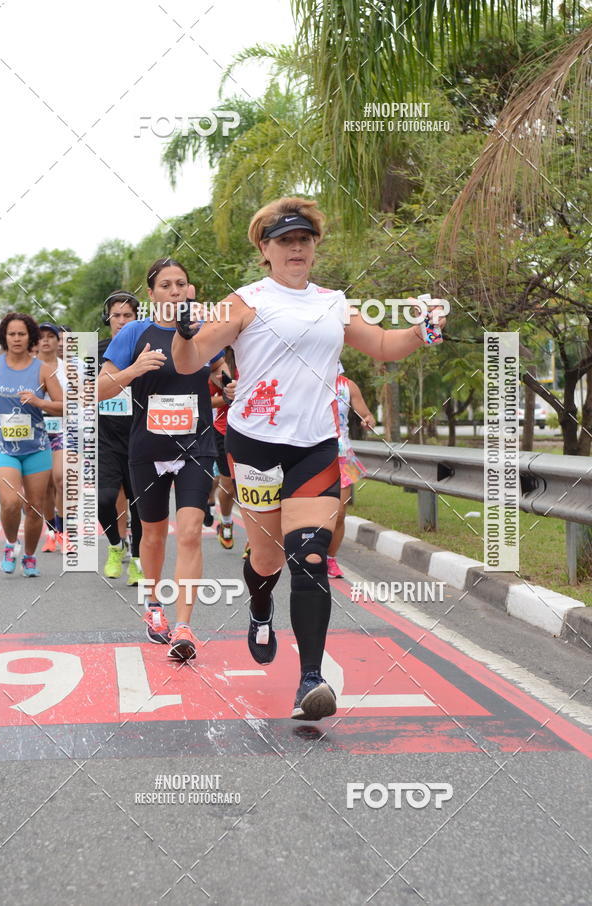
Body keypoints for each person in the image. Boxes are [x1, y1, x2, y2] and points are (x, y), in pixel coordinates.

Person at [172, 196, 448, 720]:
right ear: (266, 250)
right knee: (267, 559)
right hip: (255, 446)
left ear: (315, 247)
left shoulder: (333, 302)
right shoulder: (245, 301)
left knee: (311, 555)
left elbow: (382, 344)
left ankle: (311, 681)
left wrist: (421, 332)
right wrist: (184, 335)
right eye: (285, 240)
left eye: (304, 239)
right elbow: (190, 361)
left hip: (316, 446)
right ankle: (259, 605)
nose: (296, 248)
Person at [98, 259, 234, 660]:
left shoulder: (205, 328)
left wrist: (228, 387)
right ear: (152, 293)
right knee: (153, 535)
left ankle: (185, 626)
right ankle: (154, 605)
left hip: (196, 446)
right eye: (166, 285)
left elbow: (221, 373)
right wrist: (134, 369)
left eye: (181, 284)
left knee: (190, 532)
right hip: (148, 449)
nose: (175, 291)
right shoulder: (134, 333)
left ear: (190, 290)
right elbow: (100, 389)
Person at [0, 313, 63, 577]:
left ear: (29, 336)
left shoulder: (42, 369)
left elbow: (64, 406)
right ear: (4, 337)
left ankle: (30, 556)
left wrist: (39, 402)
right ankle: (11, 545)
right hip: (1, 447)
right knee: (11, 502)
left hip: (36, 448)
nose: (16, 338)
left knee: (34, 508)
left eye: (21, 334)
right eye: (11, 334)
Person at [97, 291, 144, 586]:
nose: (122, 321)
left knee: (140, 507)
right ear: (108, 319)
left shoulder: (147, 349)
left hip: (140, 438)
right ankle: (116, 544)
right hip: (105, 440)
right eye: (117, 315)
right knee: (103, 499)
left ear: (137, 319)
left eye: (128, 315)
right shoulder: (96, 352)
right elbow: (81, 393)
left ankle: (138, 562)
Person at [327, 363, 376, 579]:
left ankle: (330, 559)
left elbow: (366, 414)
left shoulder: (347, 386)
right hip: (311, 454)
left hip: (343, 456)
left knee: (339, 515)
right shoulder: (305, 379)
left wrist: (368, 420)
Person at [36, 322, 67, 553]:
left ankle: (64, 532)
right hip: (36, 432)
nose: (46, 340)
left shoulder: (70, 369)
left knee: (61, 480)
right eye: (41, 336)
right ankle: (51, 532)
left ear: (58, 341)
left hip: (64, 429)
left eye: (51, 336)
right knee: (45, 487)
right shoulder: (28, 368)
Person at [208, 347, 237, 549]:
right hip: (224, 430)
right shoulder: (220, 361)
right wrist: (229, 397)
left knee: (259, 484)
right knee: (228, 486)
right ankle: (226, 521)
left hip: (258, 430)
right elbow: (206, 400)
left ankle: (254, 541)